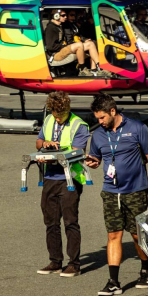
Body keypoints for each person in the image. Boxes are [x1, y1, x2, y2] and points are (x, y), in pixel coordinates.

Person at [84, 93, 148, 296]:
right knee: (113, 234)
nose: (99, 122)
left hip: (135, 191)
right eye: (96, 119)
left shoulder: (137, 128)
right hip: (110, 192)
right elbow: (97, 157)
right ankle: (113, 281)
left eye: (102, 118)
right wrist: (94, 162)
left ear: (112, 111)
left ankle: (146, 268)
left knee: (136, 234)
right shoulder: (99, 134)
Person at [35, 90, 91, 277]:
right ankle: (55, 261)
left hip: (70, 179)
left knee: (70, 222)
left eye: (60, 115)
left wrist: (53, 154)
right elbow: (38, 141)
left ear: (68, 110)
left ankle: (74, 264)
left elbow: (77, 151)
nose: (57, 119)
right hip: (51, 177)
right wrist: (45, 145)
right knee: (51, 222)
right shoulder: (49, 119)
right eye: (54, 115)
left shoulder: (79, 125)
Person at [44, 10, 101, 76]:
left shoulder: (60, 26)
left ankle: (97, 67)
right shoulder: (50, 28)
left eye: (65, 15)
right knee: (79, 45)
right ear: (56, 16)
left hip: (63, 49)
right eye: (63, 15)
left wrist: (84, 40)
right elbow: (50, 47)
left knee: (91, 44)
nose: (65, 17)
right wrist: (63, 45)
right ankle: (82, 69)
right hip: (56, 54)